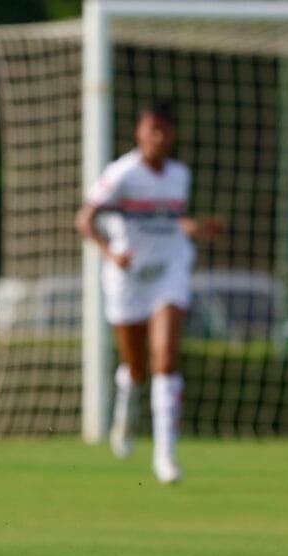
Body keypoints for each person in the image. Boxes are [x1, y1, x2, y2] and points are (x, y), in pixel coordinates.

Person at [75, 100, 222, 484]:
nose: (156, 137)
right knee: (137, 367)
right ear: (139, 133)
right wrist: (112, 254)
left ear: (172, 135)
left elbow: (169, 221)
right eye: (149, 130)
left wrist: (194, 228)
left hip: (170, 271)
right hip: (128, 277)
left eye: (163, 130)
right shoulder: (121, 173)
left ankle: (165, 456)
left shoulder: (179, 175)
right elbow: (84, 220)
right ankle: (127, 399)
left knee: (166, 360)